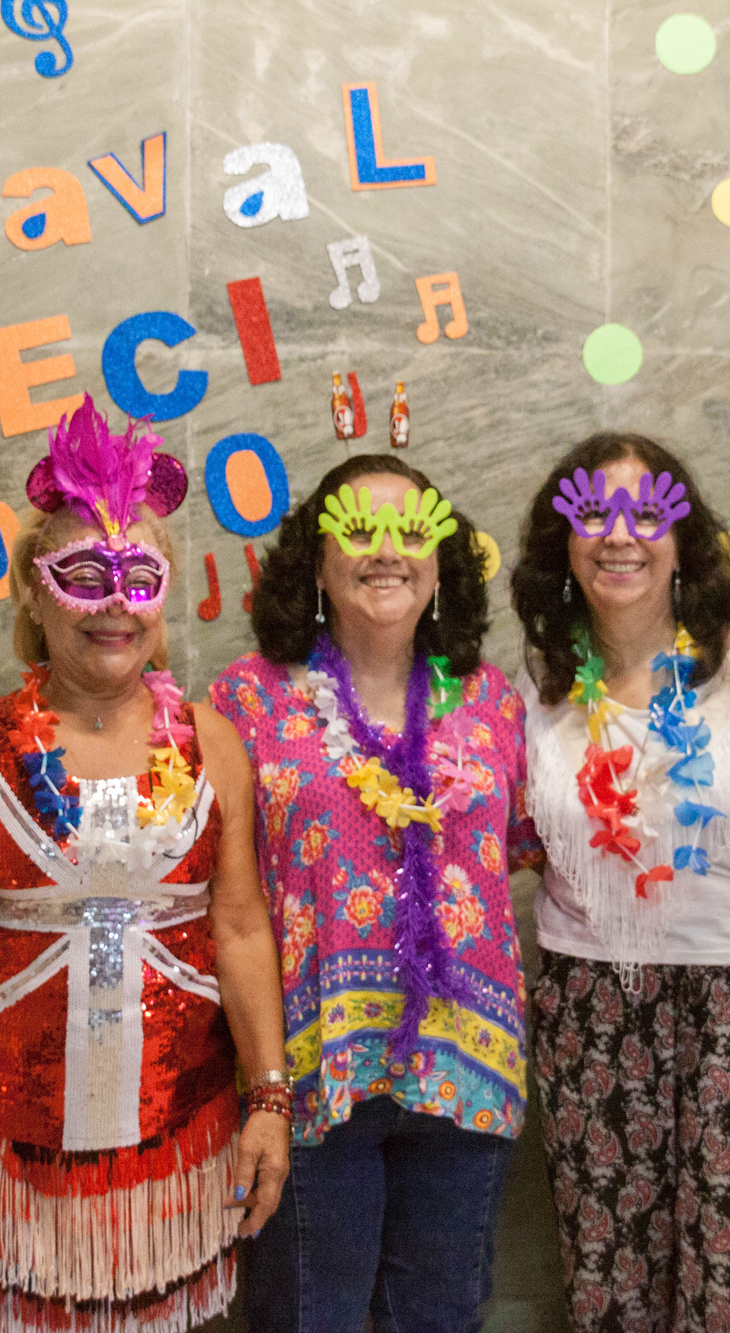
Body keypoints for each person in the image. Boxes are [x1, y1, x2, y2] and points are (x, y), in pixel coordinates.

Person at [0, 397, 291, 1331]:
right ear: (32, 591)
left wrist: (270, 1099)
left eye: (137, 577)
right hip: (10, 1153)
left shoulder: (214, 743)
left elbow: (242, 924)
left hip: (174, 1143)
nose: (111, 605)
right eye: (82, 573)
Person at [508, 433, 730, 1331]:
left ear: (683, 536)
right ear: (563, 541)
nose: (622, 534)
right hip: (591, 1009)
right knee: (605, 1289)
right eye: (594, 512)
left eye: (648, 512)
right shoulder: (536, 689)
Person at [210, 455, 541, 1332]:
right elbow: (224, 896)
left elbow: (518, 856)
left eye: (410, 532)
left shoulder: (494, 701)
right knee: (307, 1318)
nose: (386, 551)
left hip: (466, 1073)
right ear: (316, 561)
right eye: (359, 530)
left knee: (439, 1319)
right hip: (315, 1076)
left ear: (441, 559)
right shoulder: (247, 700)